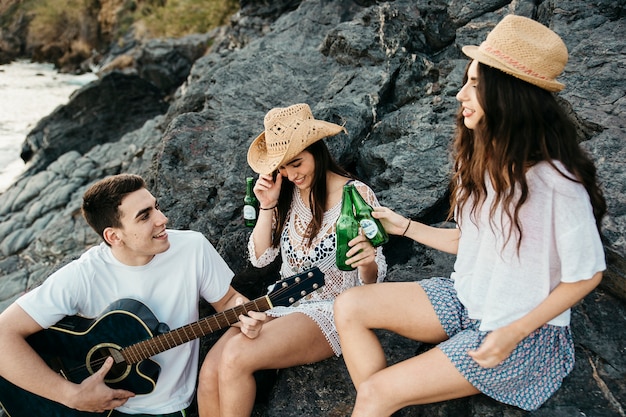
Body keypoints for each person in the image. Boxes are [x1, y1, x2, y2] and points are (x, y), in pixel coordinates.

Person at [333, 14, 606, 416]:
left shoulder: (555, 182)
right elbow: (468, 240)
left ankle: (382, 398)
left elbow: (586, 274)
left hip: (521, 334)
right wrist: (403, 226)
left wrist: (513, 333)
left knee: (376, 394)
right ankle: (385, 398)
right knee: (349, 305)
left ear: (508, 95)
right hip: (467, 301)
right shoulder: (481, 160)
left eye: (475, 85)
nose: (461, 94)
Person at [0, 174, 265, 416]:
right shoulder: (84, 275)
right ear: (114, 236)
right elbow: (3, 335)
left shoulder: (192, 248)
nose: (162, 219)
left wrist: (244, 314)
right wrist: (70, 395)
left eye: (156, 207)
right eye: (144, 216)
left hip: (167, 407)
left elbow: (228, 301)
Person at [197, 103, 388, 417]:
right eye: (283, 167)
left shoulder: (356, 195)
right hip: (282, 302)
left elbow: (374, 277)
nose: (291, 174)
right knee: (209, 371)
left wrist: (365, 260)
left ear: (317, 151)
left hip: (334, 310)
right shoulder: (286, 193)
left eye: (297, 163)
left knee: (236, 356)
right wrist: (268, 205)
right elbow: (261, 258)